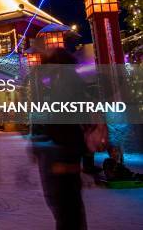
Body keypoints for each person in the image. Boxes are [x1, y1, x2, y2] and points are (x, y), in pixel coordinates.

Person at [31, 48, 88, 230]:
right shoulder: (61, 83)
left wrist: (66, 159)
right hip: (60, 152)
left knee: (66, 208)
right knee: (67, 207)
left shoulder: (67, 84)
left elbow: (66, 121)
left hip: (61, 154)